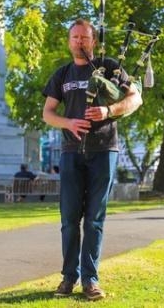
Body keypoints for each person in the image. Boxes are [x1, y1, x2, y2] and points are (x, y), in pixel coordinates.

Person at [42, 18, 143, 301]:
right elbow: (47, 113)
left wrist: (109, 110)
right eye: (74, 37)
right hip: (72, 152)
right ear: (69, 41)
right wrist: (68, 123)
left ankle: (91, 280)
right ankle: (68, 278)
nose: (79, 42)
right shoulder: (61, 75)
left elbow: (135, 99)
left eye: (85, 37)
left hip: (104, 150)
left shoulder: (110, 67)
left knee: (95, 220)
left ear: (93, 41)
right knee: (69, 219)